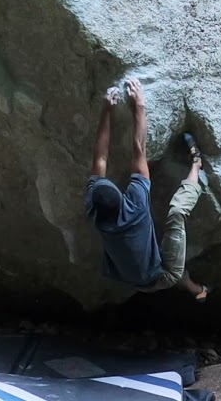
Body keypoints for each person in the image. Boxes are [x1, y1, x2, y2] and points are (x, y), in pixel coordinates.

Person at [85, 78, 211, 301]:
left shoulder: (94, 210)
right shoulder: (135, 206)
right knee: (177, 213)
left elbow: (100, 157)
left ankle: (199, 292)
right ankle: (197, 165)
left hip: (128, 277)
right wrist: (139, 105)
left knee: (178, 272)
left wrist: (105, 111)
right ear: (122, 198)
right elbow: (139, 149)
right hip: (159, 276)